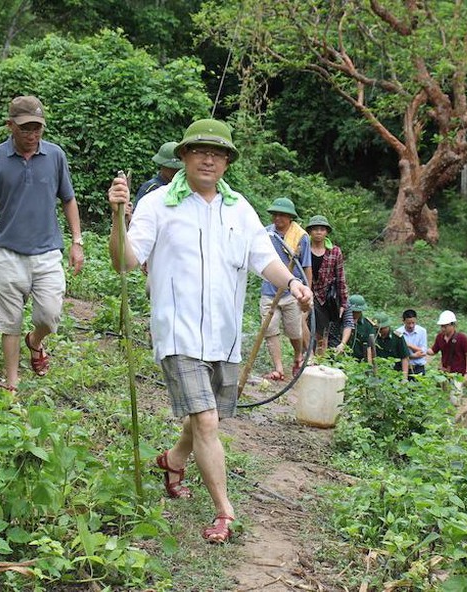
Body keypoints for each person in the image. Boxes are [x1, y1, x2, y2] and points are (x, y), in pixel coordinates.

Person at [107, 119, 312, 544]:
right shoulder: (159, 203)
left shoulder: (239, 208)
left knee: (208, 417)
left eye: (217, 153)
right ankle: (224, 511)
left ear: (227, 162)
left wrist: (290, 282)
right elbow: (125, 261)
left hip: (225, 336)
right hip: (178, 333)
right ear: (183, 156)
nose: (208, 158)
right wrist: (116, 218)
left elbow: (263, 258)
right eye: (199, 150)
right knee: (205, 420)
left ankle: (173, 460)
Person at [0, 95, 84, 391]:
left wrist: (77, 241)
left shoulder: (55, 156)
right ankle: (12, 385)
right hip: (7, 252)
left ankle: (36, 341)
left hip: (47, 252)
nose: (32, 136)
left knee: (49, 315)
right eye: (25, 129)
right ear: (10, 126)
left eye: (37, 129)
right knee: (9, 322)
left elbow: (68, 199)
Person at [260, 197, 312, 380]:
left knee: (294, 330)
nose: (277, 218)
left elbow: (307, 268)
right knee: (270, 329)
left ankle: (298, 356)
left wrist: (307, 292)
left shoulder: (301, 237)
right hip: (269, 290)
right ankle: (278, 368)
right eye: (275, 214)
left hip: (292, 292)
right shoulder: (266, 234)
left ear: (290, 217)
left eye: (282, 215)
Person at [306, 215, 348, 355]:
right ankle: (305, 358)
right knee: (303, 327)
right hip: (305, 293)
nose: (318, 232)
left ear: (326, 232)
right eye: (315, 229)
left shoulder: (335, 252)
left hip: (325, 297)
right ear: (310, 231)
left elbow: (340, 278)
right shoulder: (304, 249)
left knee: (321, 334)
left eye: (322, 229)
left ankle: (319, 360)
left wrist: (343, 302)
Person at [133, 141, 184, 207]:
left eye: (178, 169)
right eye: (170, 168)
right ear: (162, 166)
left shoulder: (185, 188)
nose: (175, 172)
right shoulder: (150, 188)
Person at [427, 310, 467, 378]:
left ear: (452, 325)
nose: (443, 329)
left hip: (458, 375)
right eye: (441, 326)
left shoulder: (462, 338)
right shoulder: (440, 337)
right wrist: (422, 349)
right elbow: (433, 351)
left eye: (445, 326)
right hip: (444, 373)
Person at [374, 312, 410, 380]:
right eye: (377, 328)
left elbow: (404, 358)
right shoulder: (373, 336)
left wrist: (404, 378)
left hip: (394, 375)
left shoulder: (397, 337)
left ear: (388, 326)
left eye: (382, 329)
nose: (379, 331)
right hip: (377, 374)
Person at [395, 309, 428, 379]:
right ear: (403, 321)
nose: (411, 326)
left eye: (413, 323)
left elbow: (423, 352)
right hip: (402, 369)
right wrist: (413, 355)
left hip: (418, 368)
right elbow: (398, 355)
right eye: (408, 323)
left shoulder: (422, 331)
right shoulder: (398, 333)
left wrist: (407, 344)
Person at [347, 294, 375, 362]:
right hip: (343, 359)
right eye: (353, 312)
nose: (355, 314)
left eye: (357, 312)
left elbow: (370, 347)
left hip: (360, 362)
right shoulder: (341, 322)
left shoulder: (367, 325)